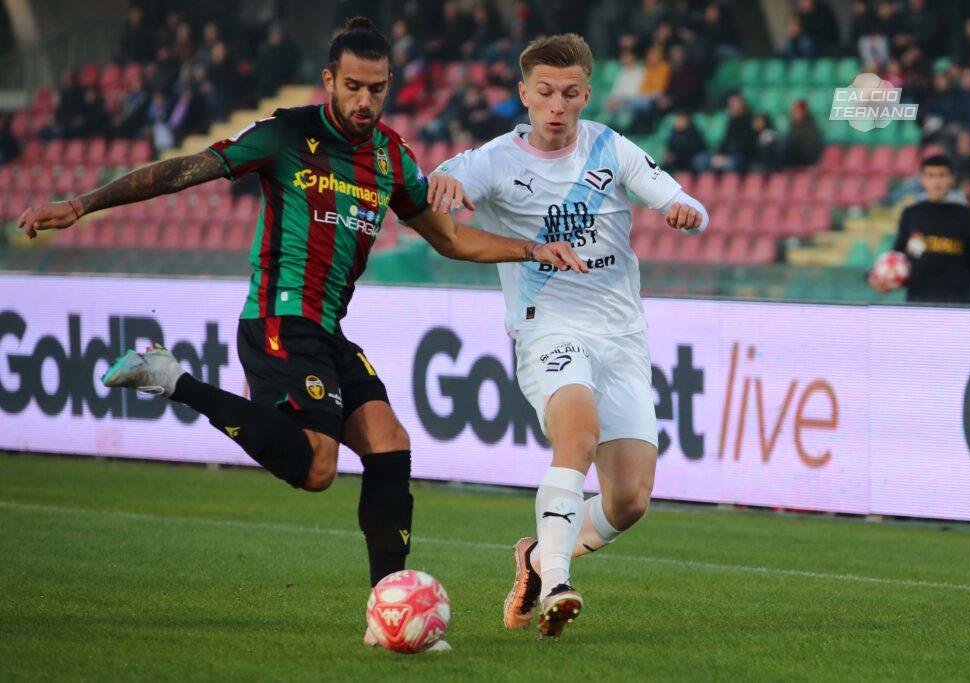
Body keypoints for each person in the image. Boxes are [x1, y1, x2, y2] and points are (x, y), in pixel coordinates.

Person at [17, 17, 586, 647]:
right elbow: (185, 170)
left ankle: (385, 617)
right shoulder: (287, 135)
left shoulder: (391, 155)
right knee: (317, 468)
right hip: (278, 321)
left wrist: (531, 249)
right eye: (352, 87)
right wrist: (82, 203)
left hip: (327, 330)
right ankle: (172, 379)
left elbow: (449, 236)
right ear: (329, 82)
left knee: (389, 445)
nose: (365, 101)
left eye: (377, 88)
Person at [427, 33, 708, 639]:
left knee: (629, 500)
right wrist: (443, 184)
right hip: (548, 329)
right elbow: (442, 182)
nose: (557, 105)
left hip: (622, 336)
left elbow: (679, 196)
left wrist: (686, 210)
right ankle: (556, 582)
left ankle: (534, 557)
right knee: (576, 436)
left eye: (571, 94)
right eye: (546, 93)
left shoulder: (611, 146)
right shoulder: (496, 159)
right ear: (524, 94)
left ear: (586, 96)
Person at [872, 154, 970, 304]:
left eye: (942, 175)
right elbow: (899, 255)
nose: (936, 182)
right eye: (931, 175)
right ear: (923, 179)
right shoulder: (912, 214)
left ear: (952, 178)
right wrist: (878, 277)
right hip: (918, 303)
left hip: (958, 305)